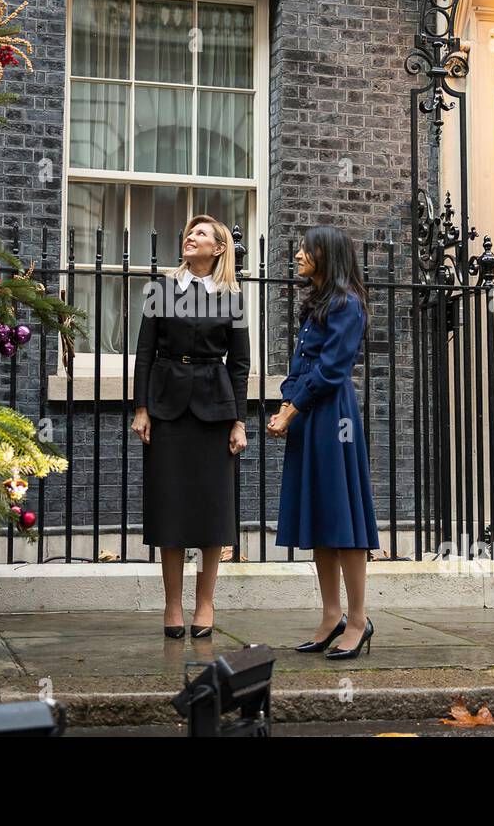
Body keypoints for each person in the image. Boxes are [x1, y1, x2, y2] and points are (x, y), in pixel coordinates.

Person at [132, 215, 249, 639]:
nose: (191, 237)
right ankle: (172, 606)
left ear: (219, 249)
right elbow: (144, 351)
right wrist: (141, 408)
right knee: (171, 509)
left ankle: (205, 603)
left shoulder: (231, 297)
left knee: (212, 512)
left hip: (215, 411)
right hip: (166, 407)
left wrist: (239, 421)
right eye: (189, 232)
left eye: (201, 234)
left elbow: (239, 364)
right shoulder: (161, 290)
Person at [268, 225, 379, 659]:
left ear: (326, 256)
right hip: (310, 412)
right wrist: (285, 404)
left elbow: (333, 369)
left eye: (305, 250)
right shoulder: (315, 303)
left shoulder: (348, 304)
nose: (297, 255)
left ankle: (357, 619)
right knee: (319, 517)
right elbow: (300, 364)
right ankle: (331, 614)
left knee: (343, 517)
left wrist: (293, 409)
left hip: (333, 415)